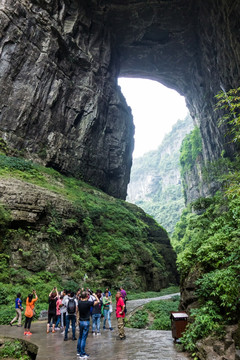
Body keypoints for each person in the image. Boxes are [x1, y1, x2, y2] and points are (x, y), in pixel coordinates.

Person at [77, 291, 99, 359]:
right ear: (87, 296)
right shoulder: (88, 303)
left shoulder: (79, 302)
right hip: (86, 321)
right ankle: (82, 354)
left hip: (80, 321)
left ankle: (78, 351)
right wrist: (95, 296)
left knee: (80, 337)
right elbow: (98, 301)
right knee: (84, 338)